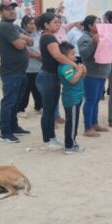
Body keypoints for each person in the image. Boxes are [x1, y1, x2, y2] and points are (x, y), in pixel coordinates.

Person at [35, 12, 77, 150]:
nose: (58, 24)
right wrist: (74, 65)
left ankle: (52, 138)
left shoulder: (48, 37)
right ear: (46, 25)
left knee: (51, 109)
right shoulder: (49, 38)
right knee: (48, 110)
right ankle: (48, 140)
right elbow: (58, 56)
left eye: (59, 22)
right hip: (48, 77)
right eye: (54, 22)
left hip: (50, 76)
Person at [0, 2, 34, 143]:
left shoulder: (14, 26)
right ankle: (5, 132)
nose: (12, 11)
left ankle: (14, 126)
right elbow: (20, 45)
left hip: (20, 71)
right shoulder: (5, 26)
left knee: (16, 102)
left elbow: (31, 42)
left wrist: (22, 38)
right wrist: (22, 39)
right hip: (11, 72)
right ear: (1, 12)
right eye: (8, 9)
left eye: (13, 9)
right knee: (9, 102)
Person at [78, 15, 112, 137]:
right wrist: (94, 42)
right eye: (97, 23)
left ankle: (95, 123)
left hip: (102, 72)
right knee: (90, 100)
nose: (100, 25)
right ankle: (87, 127)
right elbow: (84, 54)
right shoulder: (84, 38)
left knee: (96, 100)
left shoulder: (102, 35)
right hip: (91, 73)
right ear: (90, 26)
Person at [58, 41, 86, 154]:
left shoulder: (71, 65)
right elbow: (73, 80)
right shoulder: (65, 67)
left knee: (74, 122)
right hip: (71, 98)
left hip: (77, 97)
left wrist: (83, 70)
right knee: (72, 123)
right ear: (64, 56)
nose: (74, 56)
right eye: (72, 54)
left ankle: (73, 142)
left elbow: (81, 77)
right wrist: (79, 71)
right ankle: (69, 146)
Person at [18, 15, 42, 117]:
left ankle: (39, 106)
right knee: (25, 91)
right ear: (24, 25)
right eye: (31, 24)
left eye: (34, 23)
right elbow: (24, 49)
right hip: (26, 69)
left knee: (38, 89)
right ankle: (20, 109)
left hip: (39, 68)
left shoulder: (39, 35)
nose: (33, 26)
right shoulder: (21, 35)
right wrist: (37, 56)